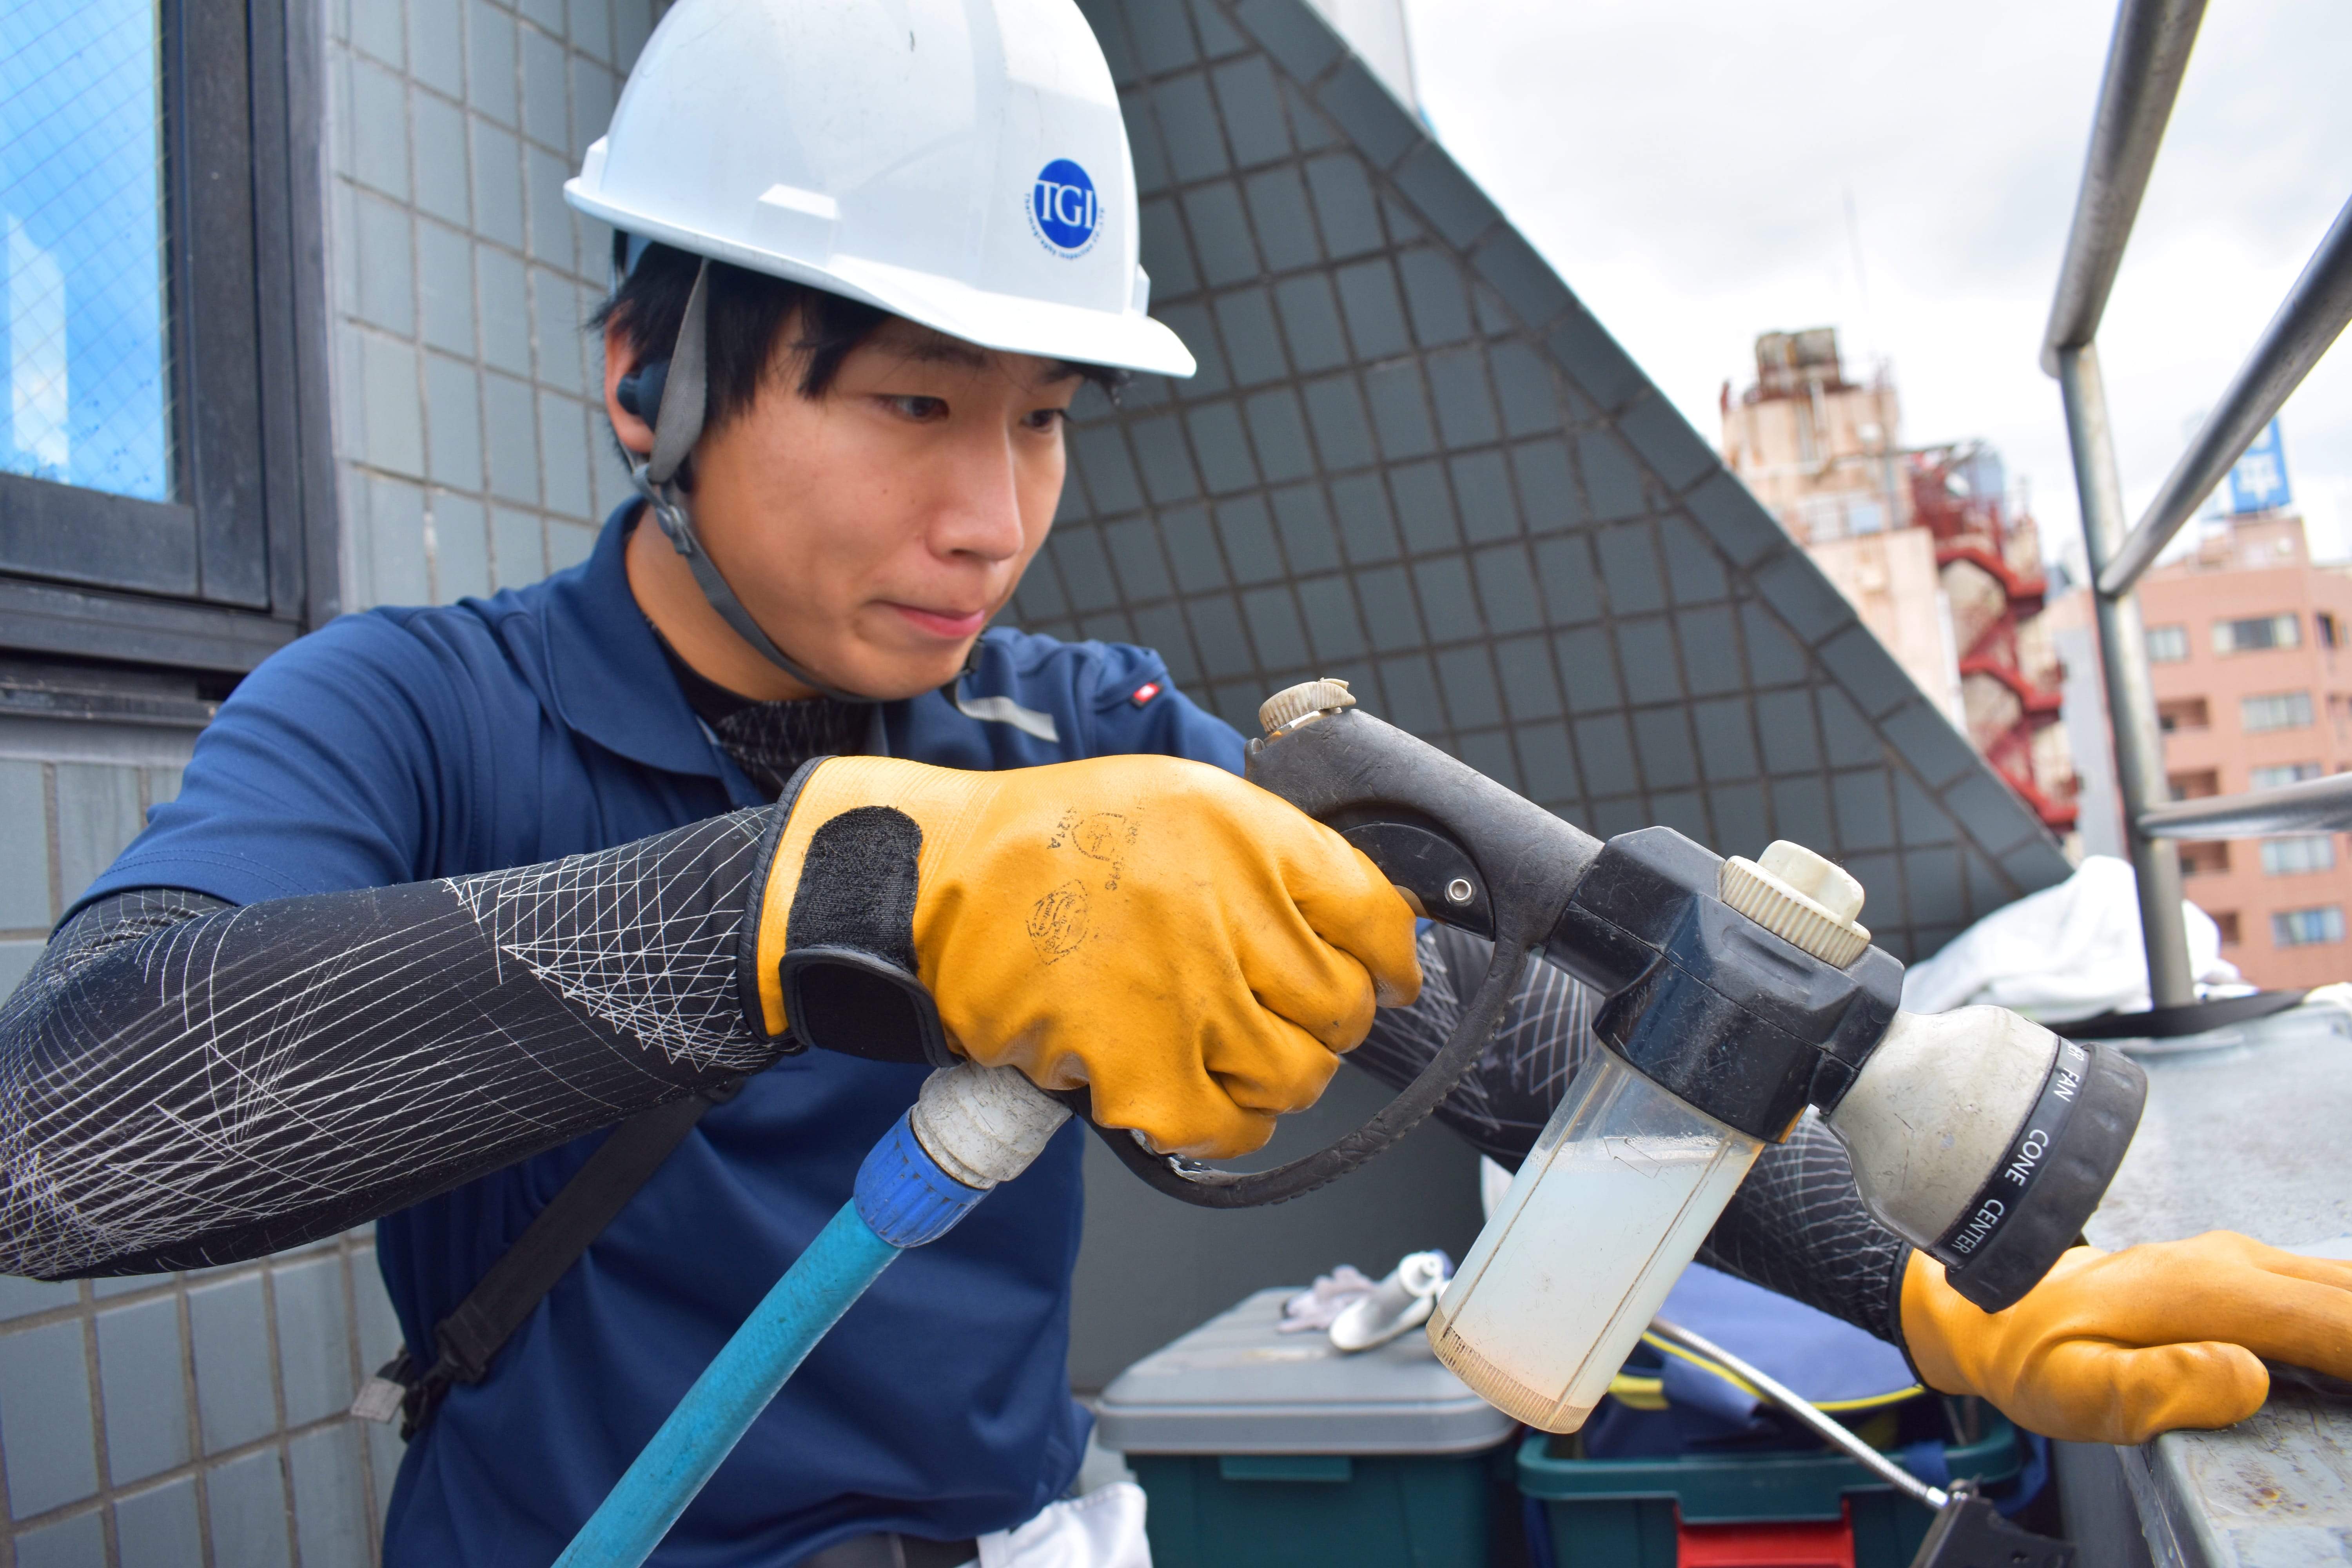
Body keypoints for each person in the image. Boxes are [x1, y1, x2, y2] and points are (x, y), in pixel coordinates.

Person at [2, 3, 2345, 1564]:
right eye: (913, 403)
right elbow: (70, 1132)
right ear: (647, 372)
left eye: (1042, 420)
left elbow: (1476, 1016)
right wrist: (820, 899)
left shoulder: (1078, 727)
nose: (992, 515)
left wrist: (1923, 1287)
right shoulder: (409, 709)